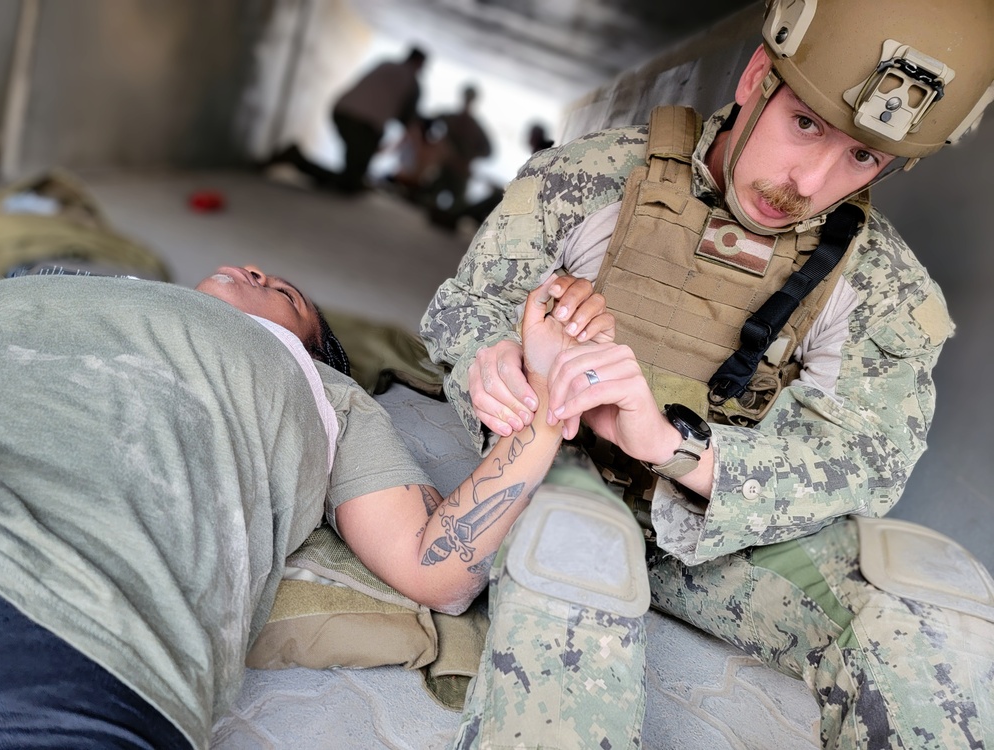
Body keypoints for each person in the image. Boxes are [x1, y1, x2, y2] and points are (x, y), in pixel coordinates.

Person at [420, 0, 994, 748]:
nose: (809, 179)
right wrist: (498, 361)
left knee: (926, 610)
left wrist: (674, 449)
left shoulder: (884, 289)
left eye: (861, 157)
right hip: (568, 472)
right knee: (575, 572)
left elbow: (862, 455)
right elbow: (472, 309)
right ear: (758, 76)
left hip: (722, 529)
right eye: (806, 125)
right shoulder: (588, 179)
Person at [0, 263, 624, 748]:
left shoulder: (323, 390)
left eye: (284, 294)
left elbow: (437, 567)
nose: (258, 272)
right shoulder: (80, 286)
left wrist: (546, 400)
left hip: (66, 612)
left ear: (310, 347)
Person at [268, 47, 427, 194]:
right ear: (419, 64)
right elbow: (407, 119)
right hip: (363, 124)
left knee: (354, 175)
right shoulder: (412, 82)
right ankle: (296, 158)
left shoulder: (386, 64)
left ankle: (341, 178)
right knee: (351, 183)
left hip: (343, 111)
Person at [421, 84, 493, 216]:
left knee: (456, 208)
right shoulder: (454, 119)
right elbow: (426, 122)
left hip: (459, 171)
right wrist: (432, 144)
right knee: (431, 200)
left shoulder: (471, 126)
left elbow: (488, 151)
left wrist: (469, 157)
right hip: (446, 168)